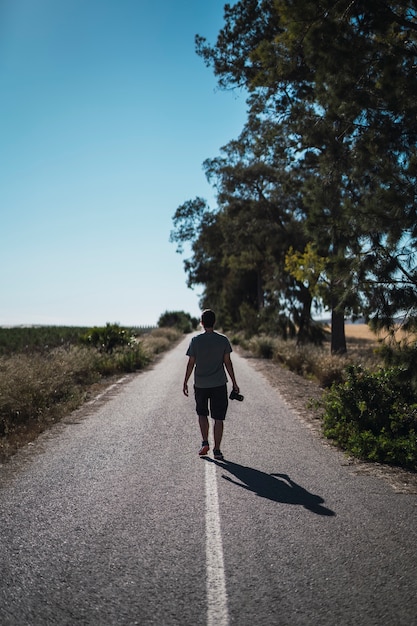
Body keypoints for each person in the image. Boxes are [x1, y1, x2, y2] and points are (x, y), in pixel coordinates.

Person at [183, 309, 240, 460]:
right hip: (219, 384)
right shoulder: (223, 340)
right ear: (214, 322)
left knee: (202, 414)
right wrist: (234, 383)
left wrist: (185, 382)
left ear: (201, 323)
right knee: (218, 418)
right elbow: (228, 363)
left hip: (201, 384)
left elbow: (190, 364)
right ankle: (218, 450)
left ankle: (204, 442)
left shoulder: (195, 341)